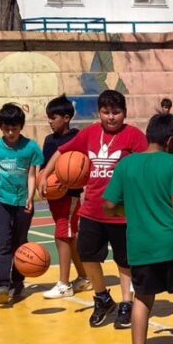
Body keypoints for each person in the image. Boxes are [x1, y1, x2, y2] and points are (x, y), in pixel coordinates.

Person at [103, 113, 173, 344]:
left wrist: (132, 210)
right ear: (171, 141)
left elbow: (109, 205)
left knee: (142, 300)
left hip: (141, 246)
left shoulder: (126, 165)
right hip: (172, 243)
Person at [39, 90, 147, 326]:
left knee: (124, 261)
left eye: (116, 112)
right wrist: (45, 173)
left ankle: (127, 303)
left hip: (122, 212)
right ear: (99, 113)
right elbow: (62, 151)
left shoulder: (134, 136)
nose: (111, 117)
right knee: (87, 254)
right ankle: (102, 297)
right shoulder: (89, 133)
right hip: (92, 210)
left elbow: (147, 165)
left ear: (125, 113)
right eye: (106, 112)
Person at [0, 103, 43, 305]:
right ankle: (2, 284)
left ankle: (17, 281)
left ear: (21, 127)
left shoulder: (31, 147)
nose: (10, 133)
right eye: (6, 128)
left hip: (23, 201)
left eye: (14, 128)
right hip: (1, 201)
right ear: (1, 126)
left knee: (20, 242)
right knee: (3, 242)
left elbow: (31, 174)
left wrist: (30, 197)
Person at [39, 94, 90, 299]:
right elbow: (45, 168)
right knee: (69, 238)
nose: (50, 121)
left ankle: (63, 284)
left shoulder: (77, 137)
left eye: (54, 117)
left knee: (62, 235)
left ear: (67, 117)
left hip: (71, 196)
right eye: (48, 117)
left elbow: (83, 167)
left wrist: (71, 181)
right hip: (55, 197)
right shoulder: (49, 140)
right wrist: (46, 180)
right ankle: (84, 277)